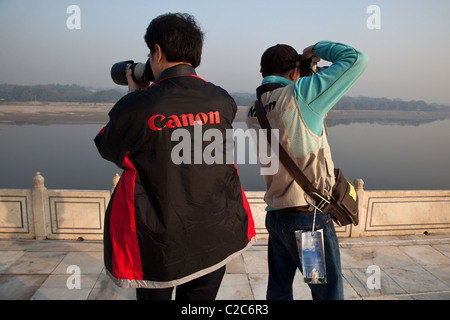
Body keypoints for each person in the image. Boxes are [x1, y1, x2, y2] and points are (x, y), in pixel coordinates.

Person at [94, 13, 255, 300]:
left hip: (160, 241)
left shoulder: (136, 106)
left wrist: (134, 95)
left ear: (157, 51)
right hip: (217, 232)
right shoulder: (222, 99)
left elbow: (109, 148)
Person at [246, 41, 368, 300]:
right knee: (325, 293)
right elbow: (357, 59)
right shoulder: (299, 95)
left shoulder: (253, 110)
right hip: (308, 223)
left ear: (262, 73)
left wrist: (302, 69)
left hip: (277, 219)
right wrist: (315, 49)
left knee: (278, 291)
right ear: (294, 72)